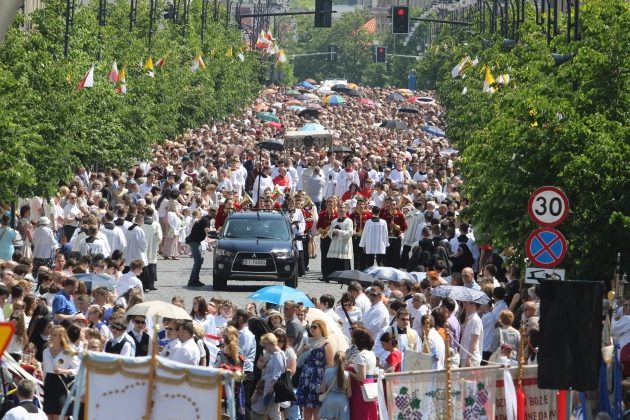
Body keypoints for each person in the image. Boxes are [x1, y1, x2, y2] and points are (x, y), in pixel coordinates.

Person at [296, 320, 334, 420]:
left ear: (321, 328)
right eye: (311, 327)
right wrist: (305, 349)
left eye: (315, 327)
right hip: (306, 378)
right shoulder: (308, 341)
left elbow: (329, 365)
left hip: (318, 379)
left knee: (317, 408)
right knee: (306, 407)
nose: (312, 329)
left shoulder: (326, 344)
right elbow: (296, 356)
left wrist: (324, 383)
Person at [42, 326, 79, 419]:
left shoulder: (68, 352)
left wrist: (64, 371)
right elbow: (45, 370)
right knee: (48, 415)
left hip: (60, 384)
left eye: (55, 335)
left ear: (61, 337)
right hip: (48, 384)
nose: (51, 337)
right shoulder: (45, 351)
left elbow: (79, 368)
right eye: (51, 334)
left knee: (59, 415)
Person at [346, 327, 377, 420]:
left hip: (361, 389)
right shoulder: (371, 353)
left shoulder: (361, 355)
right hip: (370, 386)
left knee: (360, 414)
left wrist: (349, 372)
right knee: (369, 413)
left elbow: (361, 377)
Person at [258, 333, 287, 420]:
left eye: (265, 345)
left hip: (273, 388)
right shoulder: (277, 354)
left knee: (274, 413)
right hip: (272, 387)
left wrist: (271, 388)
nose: (265, 348)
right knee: (272, 412)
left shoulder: (277, 354)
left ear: (268, 343)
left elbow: (277, 374)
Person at [319, 351, 351, 420]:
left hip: (330, 399)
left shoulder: (327, 371)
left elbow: (322, 389)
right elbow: (349, 394)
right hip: (343, 400)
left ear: (334, 360)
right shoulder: (347, 374)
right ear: (345, 361)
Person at [326, 202, 354, 277]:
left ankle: (345, 277)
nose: (341, 213)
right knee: (334, 261)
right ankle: (332, 276)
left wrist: (339, 232)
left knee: (344, 261)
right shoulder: (334, 221)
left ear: (346, 211)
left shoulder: (349, 221)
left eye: (342, 211)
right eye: (340, 211)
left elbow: (350, 232)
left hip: (344, 245)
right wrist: (333, 232)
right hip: (335, 244)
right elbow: (329, 232)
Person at [186, 210, 212, 287]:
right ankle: (192, 281)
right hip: (194, 241)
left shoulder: (205, 218)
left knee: (200, 260)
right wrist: (216, 236)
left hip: (195, 241)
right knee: (198, 261)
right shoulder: (206, 220)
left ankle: (195, 280)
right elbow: (207, 231)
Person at [459, 301, 483, 367]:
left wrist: (469, 358)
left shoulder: (475, 320)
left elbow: (474, 340)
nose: (465, 305)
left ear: (473, 305)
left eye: (467, 303)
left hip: (471, 358)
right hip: (465, 355)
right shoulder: (470, 319)